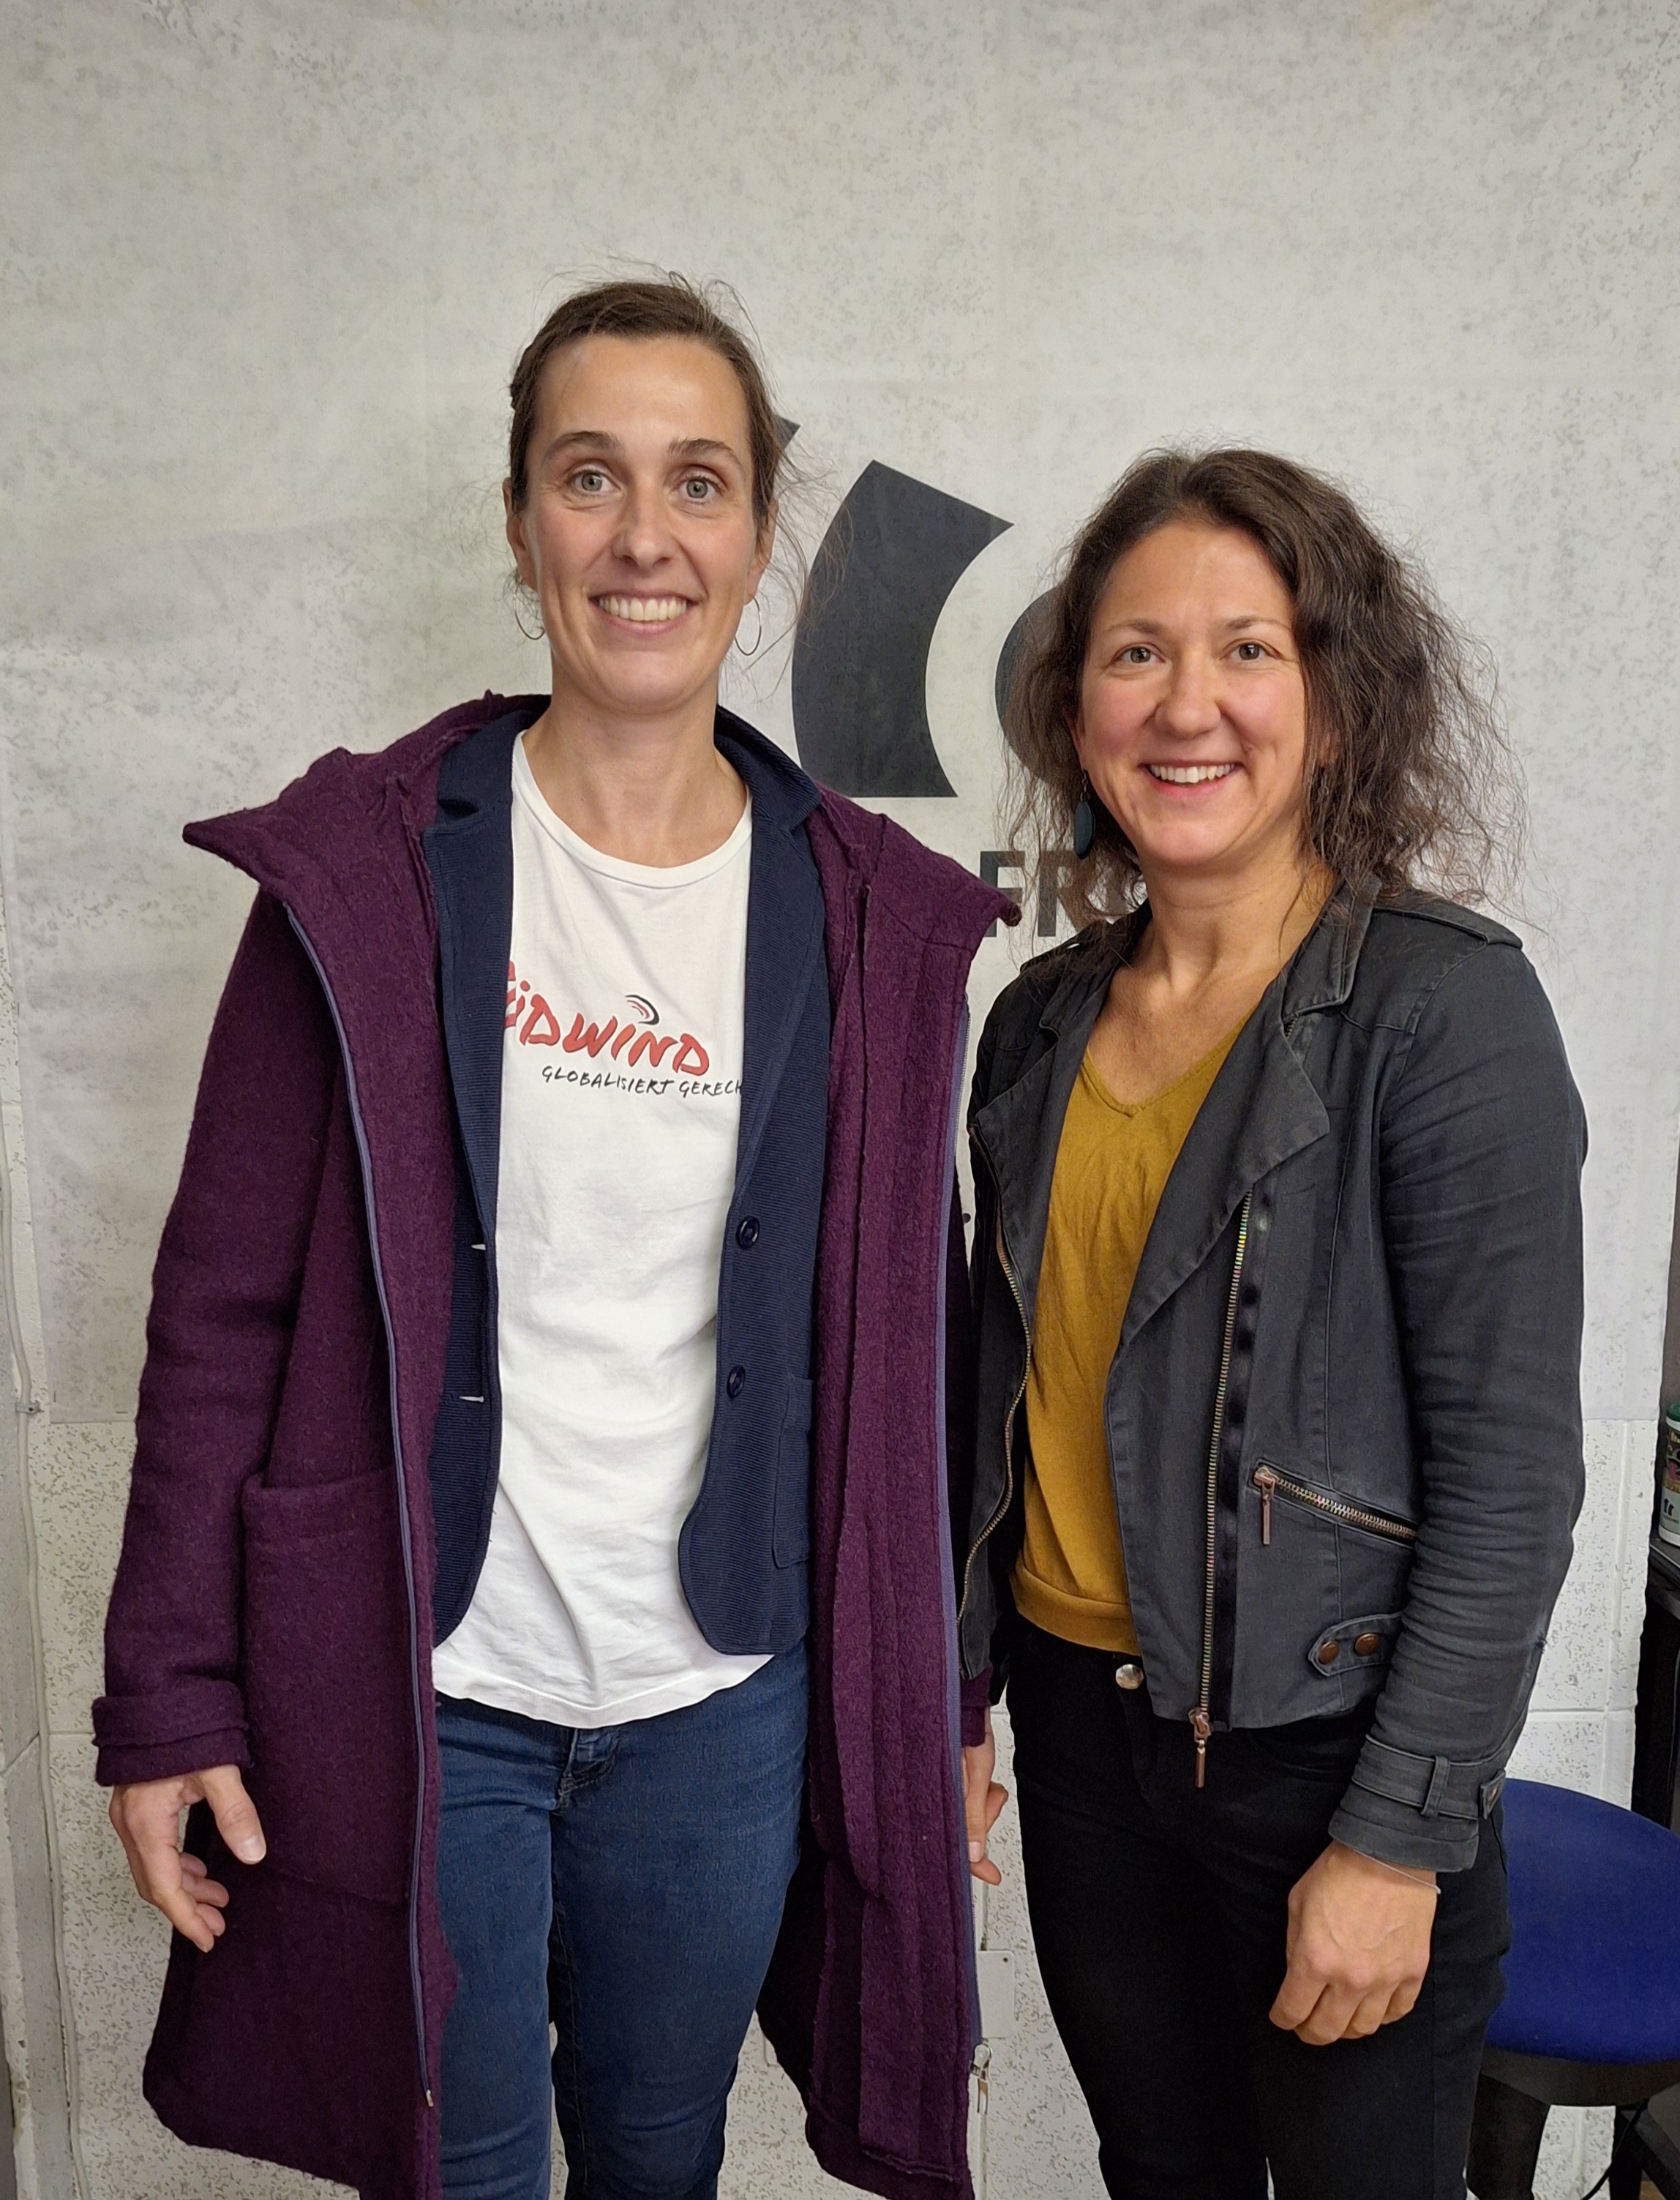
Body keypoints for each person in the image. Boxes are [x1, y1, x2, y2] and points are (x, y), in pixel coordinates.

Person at [95, 277, 1014, 2200]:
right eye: (589, 476)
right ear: (521, 522)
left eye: (697, 480)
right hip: (430, 1677)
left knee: (661, 2160)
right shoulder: (356, 876)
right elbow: (220, 1312)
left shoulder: (868, 917)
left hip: (719, 1702)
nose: (643, 534)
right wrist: (170, 1690)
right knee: (462, 2165)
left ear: (760, 531)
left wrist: (939, 1692)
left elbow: (918, 1349)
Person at [954, 448, 1585, 2200]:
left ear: (1331, 698)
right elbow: (992, 1403)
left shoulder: (1438, 1013)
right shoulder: (1037, 1022)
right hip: (1080, 1740)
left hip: (1326, 1756)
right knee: (1160, 2173)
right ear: (1075, 703)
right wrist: (948, 1696)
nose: (1187, 705)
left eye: (1247, 649)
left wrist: (1396, 1837)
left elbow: (1511, 1481)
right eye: (1135, 652)